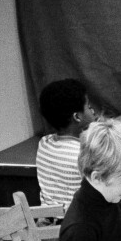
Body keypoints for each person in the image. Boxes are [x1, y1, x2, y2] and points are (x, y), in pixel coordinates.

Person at [36, 79, 97, 207]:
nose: (93, 111)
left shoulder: (44, 143)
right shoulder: (85, 155)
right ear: (77, 117)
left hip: (48, 217)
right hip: (81, 218)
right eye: (89, 107)